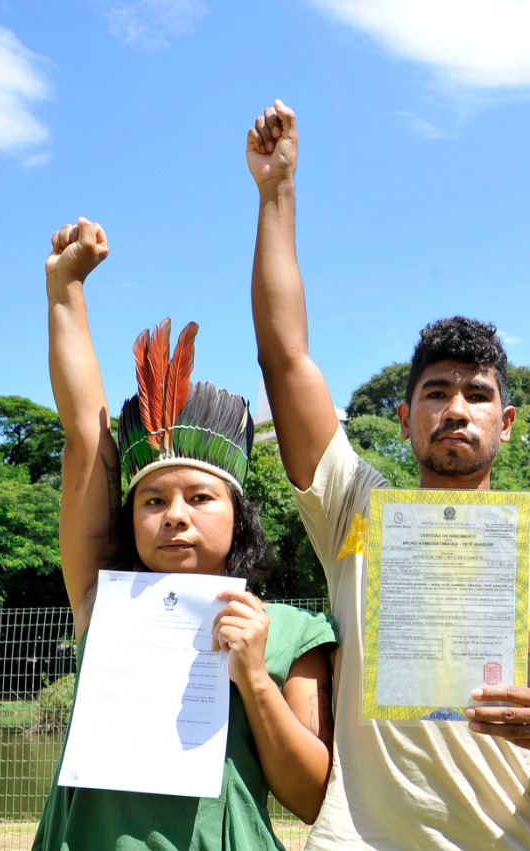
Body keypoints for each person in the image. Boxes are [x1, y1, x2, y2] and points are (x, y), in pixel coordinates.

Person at [246, 100, 530, 850]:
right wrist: (277, 193)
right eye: (436, 393)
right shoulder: (356, 509)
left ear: (507, 421)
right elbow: (285, 359)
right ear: (405, 418)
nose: (456, 409)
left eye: (478, 395)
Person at [34, 218, 337, 851]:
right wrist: (66, 292)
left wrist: (254, 676)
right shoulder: (103, 606)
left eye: (201, 498)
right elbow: (86, 439)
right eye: (153, 500)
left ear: (239, 515)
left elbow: (312, 798)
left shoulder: (290, 632)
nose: (175, 515)